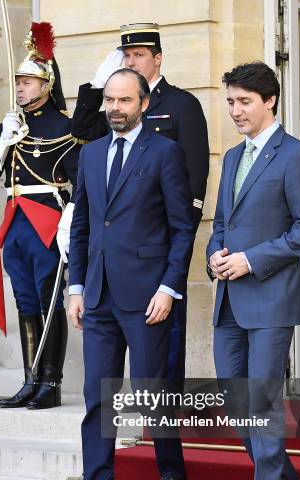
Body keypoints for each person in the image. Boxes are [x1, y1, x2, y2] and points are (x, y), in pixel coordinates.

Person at [68, 68, 194, 480]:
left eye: (124, 100)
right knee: (97, 402)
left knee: (151, 390)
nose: (115, 108)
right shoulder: (91, 154)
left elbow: (183, 227)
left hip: (147, 298)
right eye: (109, 100)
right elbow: (81, 226)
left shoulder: (164, 152)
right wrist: (75, 286)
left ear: (143, 103)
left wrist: (169, 288)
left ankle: (172, 470)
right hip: (97, 296)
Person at [207, 61, 300, 480]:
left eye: (244, 102)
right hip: (229, 300)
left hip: (273, 300)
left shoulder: (295, 156)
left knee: (260, 406)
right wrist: (216, 253)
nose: (235, 111)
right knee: (236, 404)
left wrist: (251, 260)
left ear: (270, 101)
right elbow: (221, 222)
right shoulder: (233, 157)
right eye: (231, 102)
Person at [58, 22, 209, 392]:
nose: (131, 60)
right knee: (102, 387)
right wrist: (96, 87)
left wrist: (170, 262)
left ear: (157, 59)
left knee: (162, 365)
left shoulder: (181, 104)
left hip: (156, 260)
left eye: (139, 55)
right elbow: (82, 132)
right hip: (107, 275)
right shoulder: (111, 106)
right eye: (126, 55)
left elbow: (192, 184)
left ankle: (161, 424)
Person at [0, 23, 81, 410]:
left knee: (48, 300)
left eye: (28, 82)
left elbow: (78, 180)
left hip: (46, 221)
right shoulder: (9, 124)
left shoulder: (65, 127)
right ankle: (29, 379)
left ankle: (51, 382)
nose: (20, 87)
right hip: (15, 222)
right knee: (24, 301)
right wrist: (4, 140)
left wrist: (71, 214)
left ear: (46, 84)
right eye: (18, 82)